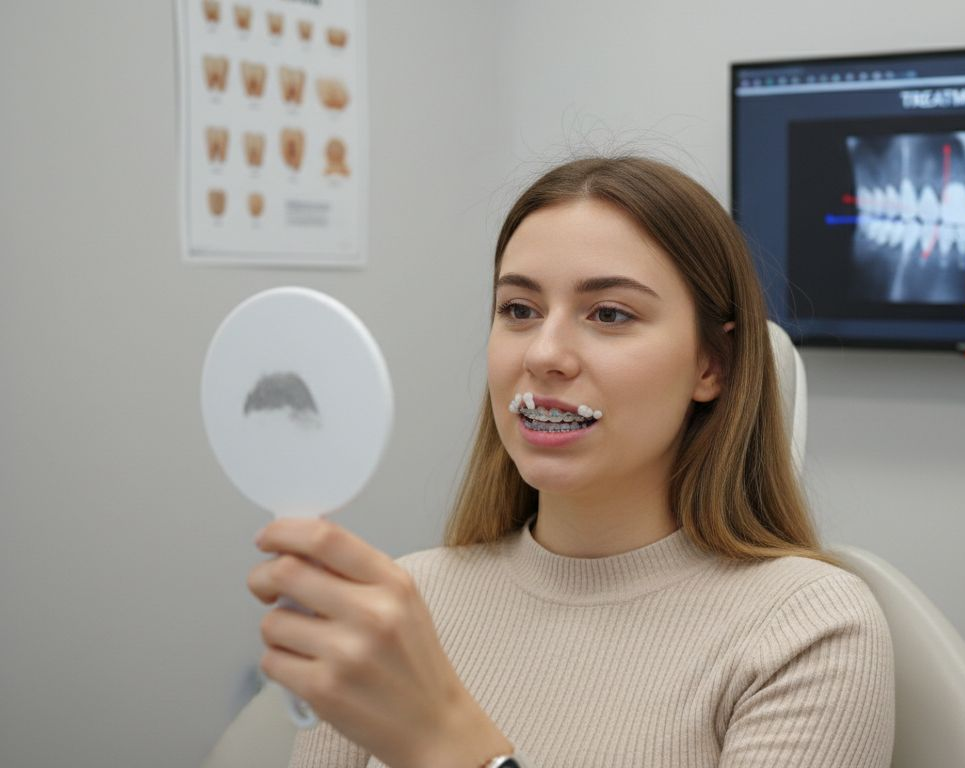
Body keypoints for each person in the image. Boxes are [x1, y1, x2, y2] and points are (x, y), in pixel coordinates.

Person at [248, 156, 896, 768]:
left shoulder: (807, 629)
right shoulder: (400, 607)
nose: (544, 354)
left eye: (609, 314)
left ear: (712, 365)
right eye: (519, 310)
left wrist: (446, 740)